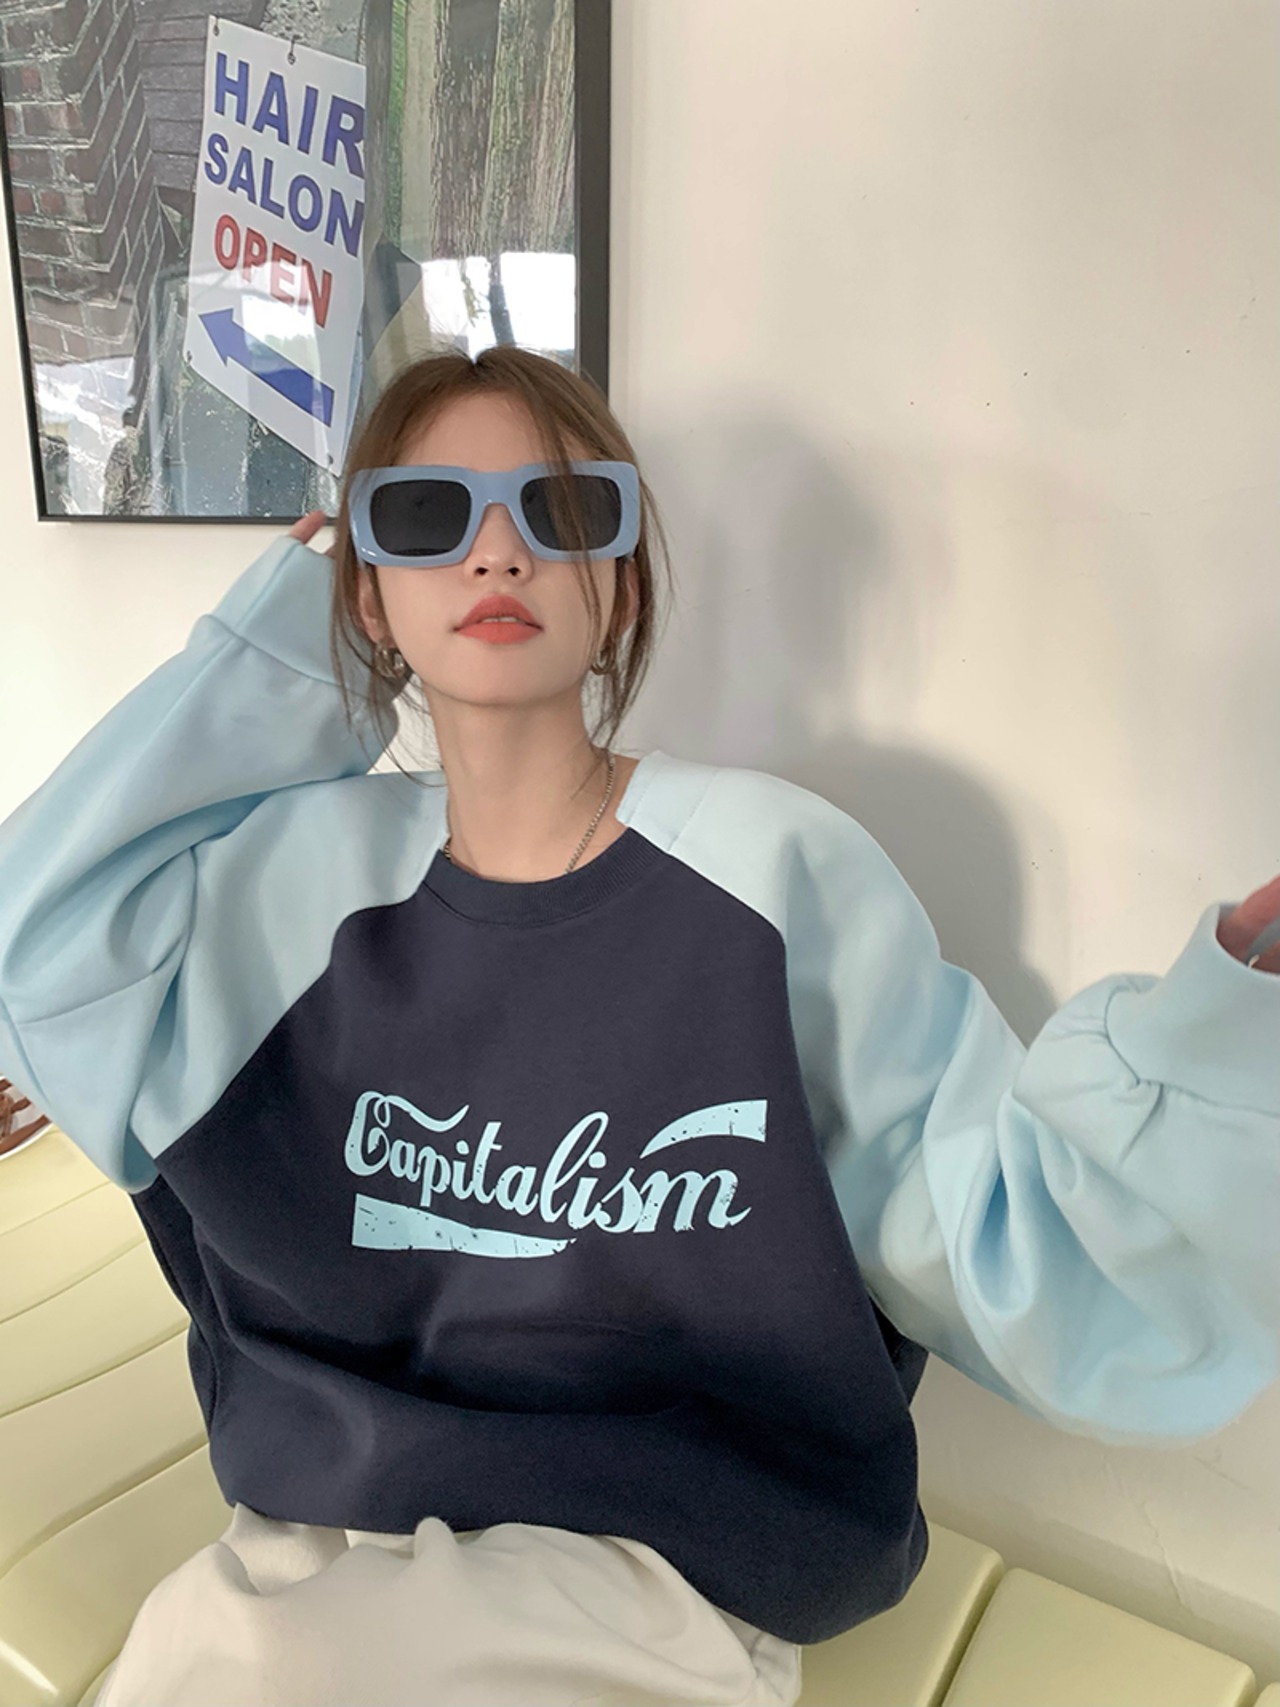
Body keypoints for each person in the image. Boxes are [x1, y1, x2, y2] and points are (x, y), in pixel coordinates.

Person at [0, 344, 1277, 1707]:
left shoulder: (773, 873)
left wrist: (1214, 1053)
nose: (499, 553)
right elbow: (41, 955)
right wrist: (270, 657)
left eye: (562, 511)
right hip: (307, 1535)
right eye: (426, 515)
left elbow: (996, 1236)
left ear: (618, 583)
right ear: (363, 593)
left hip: (652, 1566)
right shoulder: (282, 886)